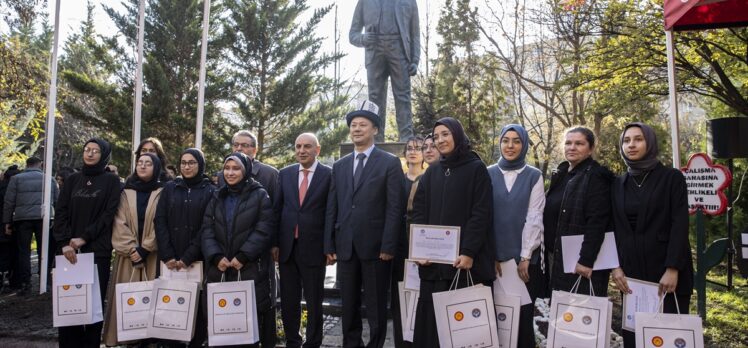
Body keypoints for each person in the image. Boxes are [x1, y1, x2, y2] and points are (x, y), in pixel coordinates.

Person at [324, 100, 405, 348]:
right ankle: (351, 343)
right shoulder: (339, 165)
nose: (357, 129)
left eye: (363, 125)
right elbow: (332, 207)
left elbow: (395, 207)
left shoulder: (389, 163)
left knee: (376, 303)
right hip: (346, 245)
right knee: (348, 302)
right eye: (353, 125)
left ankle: (376, 344)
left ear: (375, 130)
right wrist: (329, 243)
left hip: (376, 247)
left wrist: (389, 245)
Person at [410, 117, 495, 347]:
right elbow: (418, 212)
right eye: (436, 136)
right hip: (433, 266)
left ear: (457, 135)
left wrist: (468, 252)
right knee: (430, 332)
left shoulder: (476, 169)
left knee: (462, 331)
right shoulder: (432, 172)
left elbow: (481, 214)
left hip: (463, 265)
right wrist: (419, 249)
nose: (440, 140)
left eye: (445, 134)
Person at [610, 123, 694, 347]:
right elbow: (613, 227)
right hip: (632, 276)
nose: (631, 145)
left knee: (668, 337)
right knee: (635, 337)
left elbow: (680, 223)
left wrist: (672, 268)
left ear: (650, 142)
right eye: (626, 140)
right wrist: (615, 266)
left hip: (666, 274)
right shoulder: (618, 184)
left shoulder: (671, 178)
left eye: (638, 139)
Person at [202, 152, 275, 348]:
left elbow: (264, 228)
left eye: (236, 169)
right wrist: (216, 256)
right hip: (221, 269)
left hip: (248, 268)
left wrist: (244, 255)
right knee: (220, 327)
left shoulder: (259, 195)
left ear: (246, 171)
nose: (230, 172)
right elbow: (207, 229)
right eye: (227, 168)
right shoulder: (217, 195)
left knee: (247, 329)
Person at [54, 138, 121, 348]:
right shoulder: (73, 180)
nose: (90, 154)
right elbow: (61, 211)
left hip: (97, 250)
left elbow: (108, 215)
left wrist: (85, 237)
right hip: (68, 252)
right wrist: (65, 242)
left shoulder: (112, 182)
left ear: (104, 155)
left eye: (95, 151)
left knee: (92, 306)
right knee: (69, 304)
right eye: (87, 150)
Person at [487, 124, 545, 348]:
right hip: (493, 261)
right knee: (496, 318)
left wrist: (525, 257)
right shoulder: (488, 172)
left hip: (523, 262)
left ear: (524, 145)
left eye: (516, 141)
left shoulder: (534, 176)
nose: (510, 146)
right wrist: (490, 254)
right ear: (499, 143)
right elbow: (484, 217)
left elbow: (534, 217)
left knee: (521, 317)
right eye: (505, 140)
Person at [274, 133, 331, 348]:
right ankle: (292, 341)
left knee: (315, 300)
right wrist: (275, 244)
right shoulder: (285, 174)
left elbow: (330, 213)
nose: (301, 150)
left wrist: (329, 246)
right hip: (288, 247)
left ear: (317, 150)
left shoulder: (329, 175)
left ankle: (313, 342)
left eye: (307, 146)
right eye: (298, 146)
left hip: (315, 248)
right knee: (289, 300)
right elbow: (277, 209)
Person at [155, 148, 215, 347]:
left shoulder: (210, 190)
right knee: (170, 307)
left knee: (196, 310)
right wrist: (167, 254)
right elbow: (160, 221)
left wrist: (188, 256)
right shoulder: (170, 188)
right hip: (170, 260)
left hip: (196, 260)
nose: (187, 166)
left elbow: (208, 226)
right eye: (183, 162)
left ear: (200, 165)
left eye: (192, 163)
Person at [544, 127, 614, 296]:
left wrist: (586, 260)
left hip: (579, 261)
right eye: (568, 143)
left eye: (579, 143)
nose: (572, 147)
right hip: (556, 257)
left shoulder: (595, 176)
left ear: (590, 149)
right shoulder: (561, 174)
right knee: (560, 312)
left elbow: (597, 222)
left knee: (578, 316)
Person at [103, 153, 163, 346]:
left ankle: (149, 339)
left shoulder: (163, 192)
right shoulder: (125, 192)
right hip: (128, 257)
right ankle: (130, 338)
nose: (143, 166)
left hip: (152, 256)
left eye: (148, 164)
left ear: (156, 167)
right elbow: (119, 223)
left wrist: (146, 248)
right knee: (128, 301)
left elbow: (161, 222)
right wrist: (132, 249)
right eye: (140, 163)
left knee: (152, 299)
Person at [226, 129, 279, 347]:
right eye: (236, 145)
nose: (240, 149)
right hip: (230, 251)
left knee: (261, 301)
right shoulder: (224, 173)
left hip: (259, 250)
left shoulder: (269, 174)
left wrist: (274, 243)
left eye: (245, 145)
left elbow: (275, 212)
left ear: (254, 149)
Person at [349, 0, 420, 142]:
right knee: (375, 97)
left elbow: (415, 34)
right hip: (374, 50)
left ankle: (406, 139)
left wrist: (415, 59)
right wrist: (363, 38)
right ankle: (376, 139)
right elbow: (353, 34)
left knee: (403, 96)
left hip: (400, 49)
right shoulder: (364, 2)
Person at [2, 157, 59, 296]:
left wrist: (7, 222)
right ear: (40, 164)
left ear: (26, 165)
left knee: (24, 252)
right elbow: (57, 201)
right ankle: (44, 281)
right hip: (44, 218)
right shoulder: (49, 179)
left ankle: (25, 283)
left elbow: (9, 202)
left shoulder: (16, 179)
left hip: (22, 219)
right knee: (44, 250)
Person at [392, 135, 424, 347]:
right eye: (409, 148)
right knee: (399, 296)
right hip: (399, 246)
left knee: (420, 297)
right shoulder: (398, 179)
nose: (413, 151)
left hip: (422, 247)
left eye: (418, 148)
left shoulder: (430, 178)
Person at [0, 165, 21, 293]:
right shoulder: (18, 189)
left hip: (2, 226)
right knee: (16, 254)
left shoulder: (2, 187)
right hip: (16, 225)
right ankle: (14, 280)